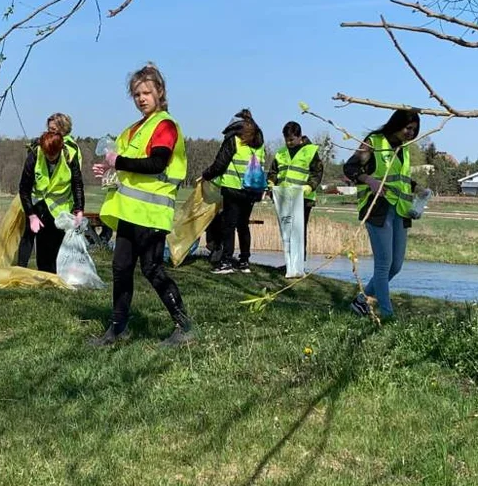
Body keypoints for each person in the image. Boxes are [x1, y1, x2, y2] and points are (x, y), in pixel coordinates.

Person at [91, 64, 193, 347]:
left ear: (160, 92)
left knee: (152, 269)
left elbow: (157, 163)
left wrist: (118, 162)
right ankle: (117, 329)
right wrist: (110, 173)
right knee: (120, 268)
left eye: (147, 92)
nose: (141, 98)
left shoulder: (164, 125)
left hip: (151, 213)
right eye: (136, 94)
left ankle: (184, 326)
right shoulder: (132, 130)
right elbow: (129, 172)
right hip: (128, 212)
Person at [343, 108, 420, 319]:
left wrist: (417, 189)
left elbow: (398, 178)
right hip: (378, 209)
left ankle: (361, 300)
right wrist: (370, 180)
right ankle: (387, 315)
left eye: (414, 130)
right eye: (408, 128)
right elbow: (349, 168)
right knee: (384, 264)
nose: (411, 133)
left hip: (400, 211)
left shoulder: (402, 148)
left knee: (396, 266)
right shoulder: (373, 142)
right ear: (396, 124)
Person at [200, 108, 266, 274]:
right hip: (251, 190)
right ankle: (244, 261)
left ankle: (226, 262)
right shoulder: (259, 143)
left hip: (233, 188)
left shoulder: (234, 140)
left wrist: (205, 175)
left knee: (228, 226)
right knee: (243, 225)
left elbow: (220, 163)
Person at [17, 113, 82, 267]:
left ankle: (52, 273)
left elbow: (77, 183)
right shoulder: (37, 152)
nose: (50, 131)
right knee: (29, 236)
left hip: (59, 205)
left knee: (51, 242)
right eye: (49, 129)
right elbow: (24, 187)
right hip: (37, 201)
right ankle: (21, 269)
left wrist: (79, 209)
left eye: (54, 129)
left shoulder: (70, 152)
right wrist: (31, 214)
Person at [267, 121, 324, 261]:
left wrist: (309, 186)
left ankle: (298, 263)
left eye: (291, 139)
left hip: (303, 198)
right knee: (287, 231)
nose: (288, 142)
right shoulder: (281, 152)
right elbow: (273, 171)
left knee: (299, 231)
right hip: (284, 197)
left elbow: (317, 172)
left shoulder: (310, 151)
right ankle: (289, 262)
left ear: (299, 137)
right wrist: (271, 184)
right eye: (286, 139)